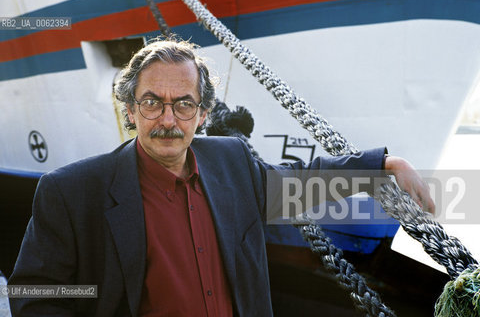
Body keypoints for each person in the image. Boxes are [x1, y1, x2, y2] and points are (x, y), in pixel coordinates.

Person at [9, 39, 434, 317]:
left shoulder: (231, 160)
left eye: (184, 104)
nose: (168, 120)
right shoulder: (72, 190)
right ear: (130, 110)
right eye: (152, 103)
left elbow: (298, 185)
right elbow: (34, 290)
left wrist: (382, 165)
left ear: (204, 113)